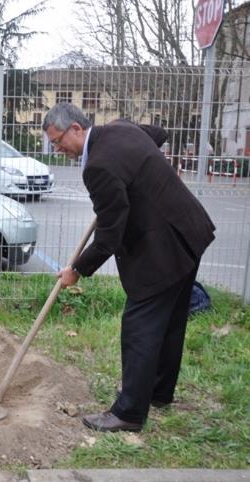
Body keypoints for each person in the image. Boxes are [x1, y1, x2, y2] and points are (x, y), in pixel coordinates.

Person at [43, 103, 215, 433]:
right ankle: (159, 393)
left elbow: (110, 234)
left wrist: (76, 270)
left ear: (77, 129)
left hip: (163, 250)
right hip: (190, 231)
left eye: (58, 140)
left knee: (140, 328)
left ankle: (129, 412)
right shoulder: (121, 129)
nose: (57, 148)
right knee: (170, 323)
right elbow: (158, 135)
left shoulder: (98, 166)